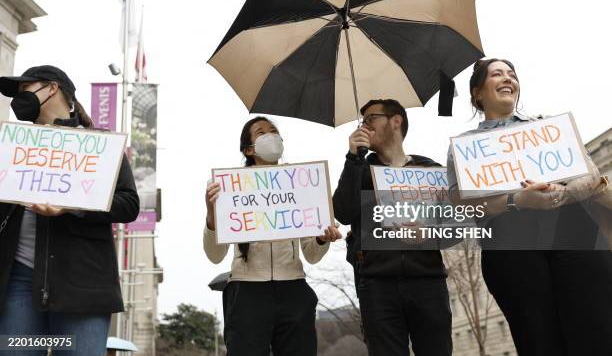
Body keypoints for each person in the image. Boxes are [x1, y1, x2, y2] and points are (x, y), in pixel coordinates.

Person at [446, 58, 612, 355]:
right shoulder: (464, 148)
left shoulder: (546, 128)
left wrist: (561, 193)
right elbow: (464, 206)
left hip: (575, 238)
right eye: (497, 74)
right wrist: (517, 199)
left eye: (512, 74)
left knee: (598, 330)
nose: (508, 78)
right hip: (512, 252)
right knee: (539, 340)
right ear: (477, 93)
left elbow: (591, 177)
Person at [0, 66, 140, 356]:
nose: (18, 100)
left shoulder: (99, 146)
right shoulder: (12, 147)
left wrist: (73, 206)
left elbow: (129, 204)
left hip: (83, 286)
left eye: (25, 90)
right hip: (19, 283)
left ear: (52, 88)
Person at [203, 116, 342, 356]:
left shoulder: (301, 184)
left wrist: (321, 239)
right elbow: (215, 256)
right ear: (249, 149)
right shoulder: (228, 189)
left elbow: (312, 255)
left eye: (274, 131)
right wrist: (212, 215)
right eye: (261, 132)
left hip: (294, 289)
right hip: (246, 292)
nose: (271, 135)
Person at [333, 99, 452, 356]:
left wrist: (428, 233)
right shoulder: (360, 170)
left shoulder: (429, 169)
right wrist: (353, 158)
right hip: (377, 285)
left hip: (428, 282)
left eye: (369, 119)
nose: (362, 126)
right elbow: (342, 212)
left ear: (395, 121)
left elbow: (454, 227)